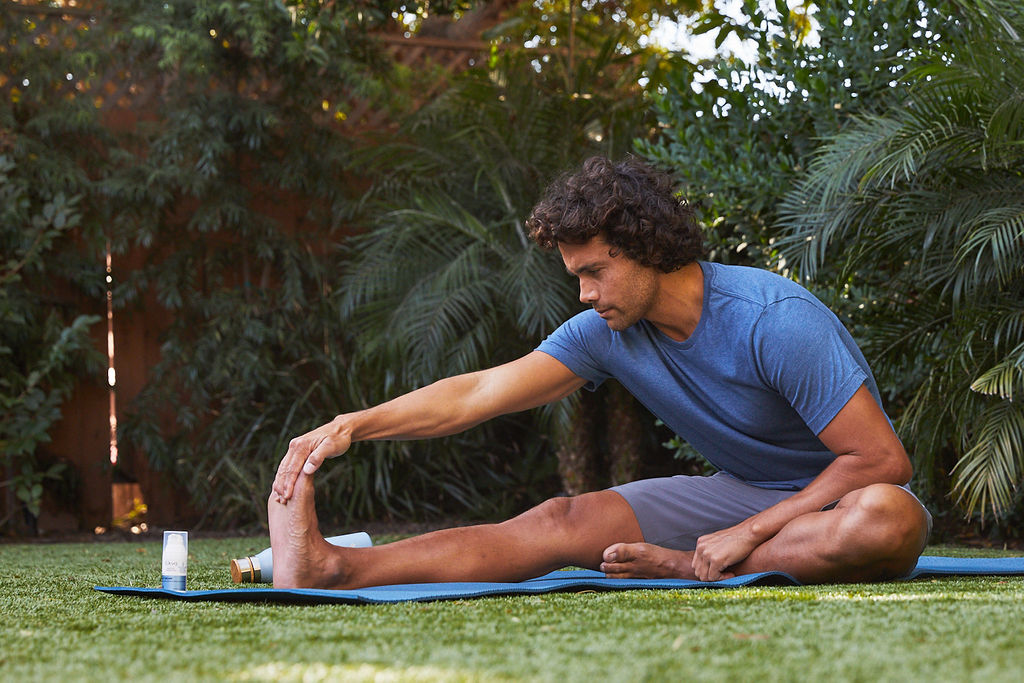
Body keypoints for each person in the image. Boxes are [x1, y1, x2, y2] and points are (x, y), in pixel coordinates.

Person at [268, 156, 930, 589]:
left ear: (645, 249)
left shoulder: (772, 319)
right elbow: (477, 392)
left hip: (834, 500)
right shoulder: (609, 332)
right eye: (576, 275)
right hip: (746, 491)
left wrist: (749, 533)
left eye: (594, 272)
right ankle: (337, 567)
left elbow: (880, 460)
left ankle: (685, 565)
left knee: (888, 519)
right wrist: (353, 425)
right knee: (561, 518)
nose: (584, 294)